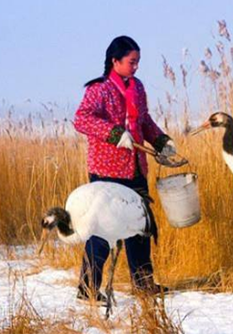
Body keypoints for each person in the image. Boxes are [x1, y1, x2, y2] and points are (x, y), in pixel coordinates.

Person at [73, 36, 176, 301]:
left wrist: (161, 140)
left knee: (140, 227)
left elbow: (143, 120)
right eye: (132, 62)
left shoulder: (138, 88)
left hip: (136, 170)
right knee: (101, 230)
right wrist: (113, 132)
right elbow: (81, 119)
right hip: (107, 172)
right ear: (115, 61)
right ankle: (87, 289)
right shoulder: (99, 89)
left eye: (138, 61)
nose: (136, 67)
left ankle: (143, 285)